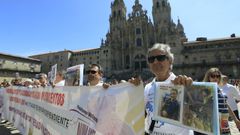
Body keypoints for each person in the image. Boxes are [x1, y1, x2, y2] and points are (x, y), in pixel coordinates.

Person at [144, 43, 193, 135]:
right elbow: (141, 115)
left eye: (160, 58)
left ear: (170, 61)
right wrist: (131, 89)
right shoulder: (147, 87)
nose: (155, 62)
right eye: (151, 59)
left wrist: (190, 88)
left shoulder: (182, 84)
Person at [195, 67, 240, 135]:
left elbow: (226, 105)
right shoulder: (205, 90)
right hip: (212, 124)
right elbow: (200, 106)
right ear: (208, 77)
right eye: (213, 76)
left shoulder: (218, 89)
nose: (215, 78)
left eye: (218, 76)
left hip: (223, 122)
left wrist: (236, 120)